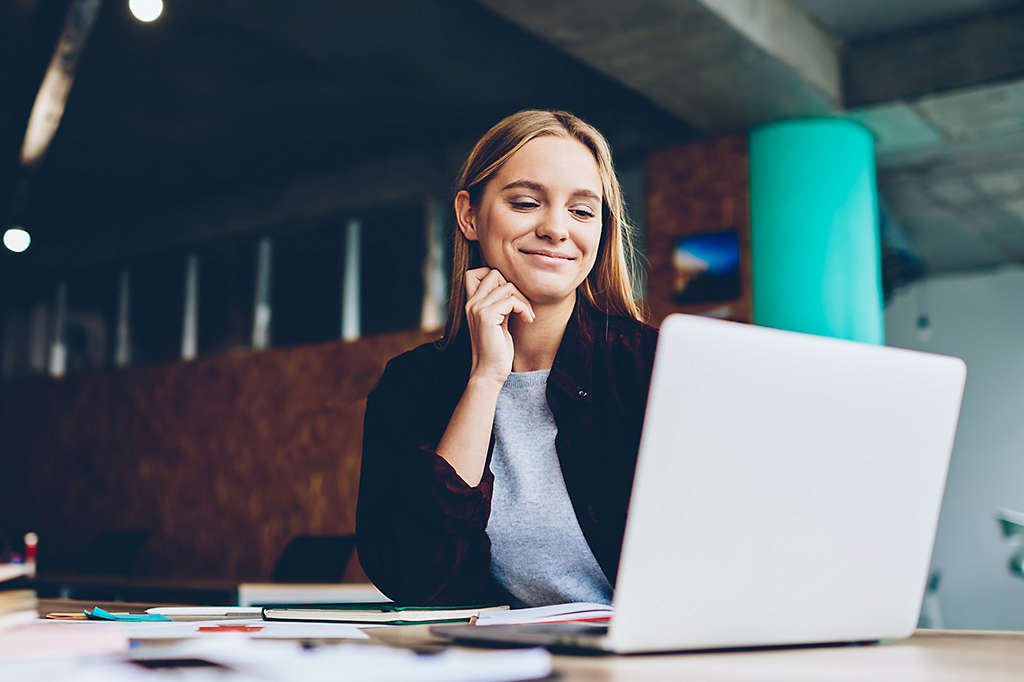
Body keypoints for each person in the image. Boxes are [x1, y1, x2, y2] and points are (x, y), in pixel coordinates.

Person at [356, 110, 658, 607]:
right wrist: (485, 378)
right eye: (525, 202)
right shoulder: (413, 384)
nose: (557, 229)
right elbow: (413, 575)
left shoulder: (651, 367)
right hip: (499, 664)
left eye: (582, 211)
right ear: (469, 215)